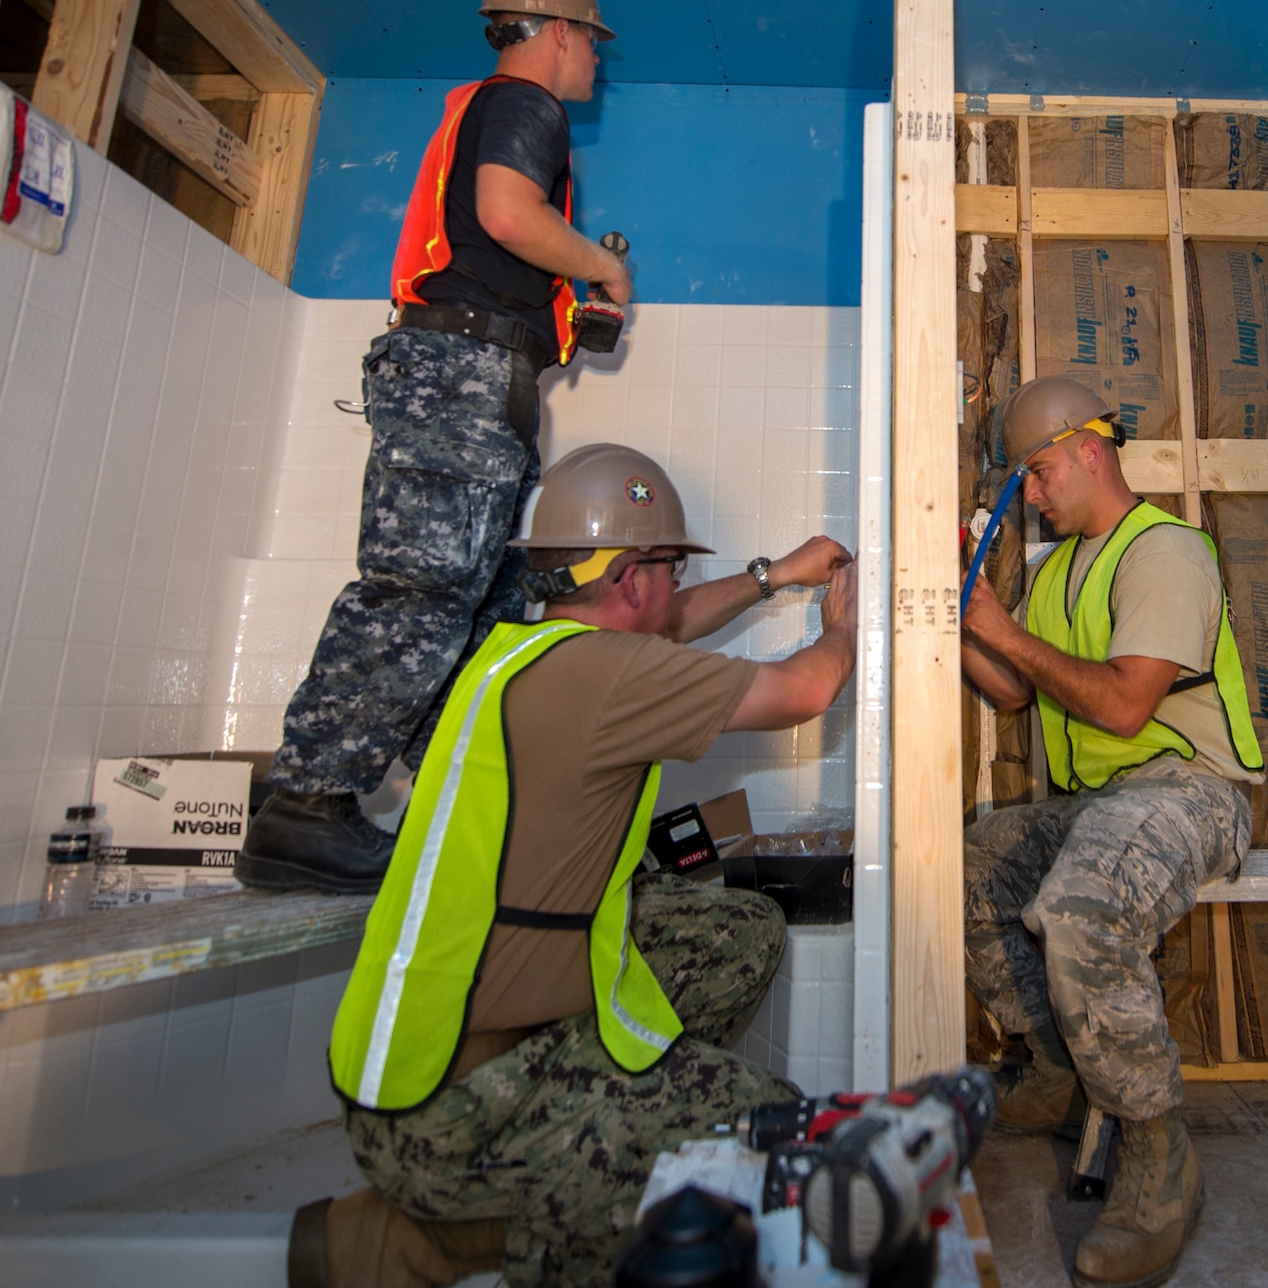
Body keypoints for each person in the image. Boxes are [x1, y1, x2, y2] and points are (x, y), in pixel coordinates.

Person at [302, 443, 857, 1286]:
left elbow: (673, 620)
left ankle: (576, 1165)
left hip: (435, 1052)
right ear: (632, 575)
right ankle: (440, 1235)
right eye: (668, 567)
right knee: (762, 1139)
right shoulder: (608, 678)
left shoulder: (522, 650)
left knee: (736, 932)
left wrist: (772, 574)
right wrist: (844, 627)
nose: (672, 589)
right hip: (447, 1104)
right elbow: (804, 691)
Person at [238, 0, 640, 893]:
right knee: (421, 592)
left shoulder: (498, 114)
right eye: (591, 41)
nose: (595, 62)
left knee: (473, 601)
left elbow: (486, 238)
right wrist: (603, 269)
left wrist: (552, 318)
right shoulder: (523, 105)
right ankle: (306, 804)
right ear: (556, 30)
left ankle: (437, 797)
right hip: (458, 376)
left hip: (470, 374)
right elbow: (507, 212)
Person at [959, 376, 1265, 1288]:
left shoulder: (1164, 549)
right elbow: (1016, 690)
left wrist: (998, 630)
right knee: (963, 865)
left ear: (1092, 449)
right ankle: (1054, 1068)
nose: (1037, 496)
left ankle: (1158, 1155)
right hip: (1101, 806)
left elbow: (1128, 704)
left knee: (1086, 908)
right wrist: (956, 614)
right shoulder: (1058, 572)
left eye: (1041, 473)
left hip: (1192, 792)